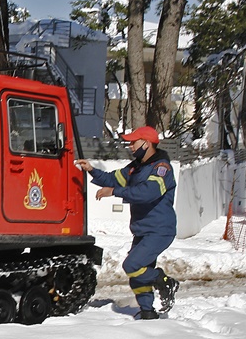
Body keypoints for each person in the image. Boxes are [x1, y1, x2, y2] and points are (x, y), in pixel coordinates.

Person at [75, 126, 180, 320]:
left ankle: (162, 280)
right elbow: (112, 178)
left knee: (132, 265)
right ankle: (148, 311)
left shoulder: (161, 168)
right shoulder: (135, 167)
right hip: (142, 230)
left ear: (146, 143)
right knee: (137, 275)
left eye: (134, 142)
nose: (130, 146)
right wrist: (91, 170)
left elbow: (147, 193)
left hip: (159, 230)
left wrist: (113, 192)